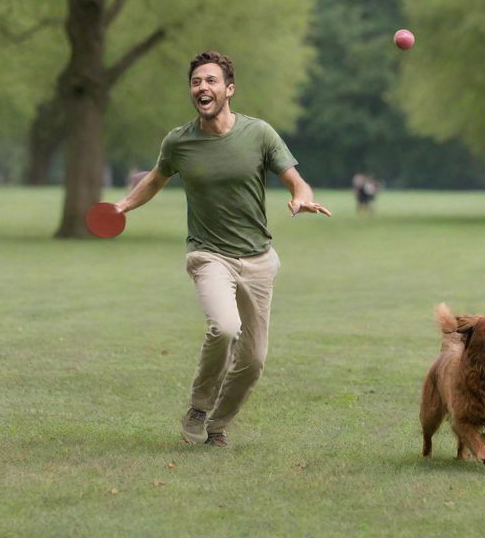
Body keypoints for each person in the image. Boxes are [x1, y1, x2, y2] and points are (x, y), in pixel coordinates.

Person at [115, 50, 331, 447]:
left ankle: (217, 426)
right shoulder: (178, 142)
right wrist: (123, 206)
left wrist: (302, 197)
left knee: (253, 361)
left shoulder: (259, 134)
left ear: (229, 89)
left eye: (211, 80)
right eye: (197, 82)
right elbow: (155, 180)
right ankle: (199, 406)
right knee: (225, 326)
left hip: (259, 259)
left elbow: (296, 180)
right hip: (208, 254)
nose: (202, 87)